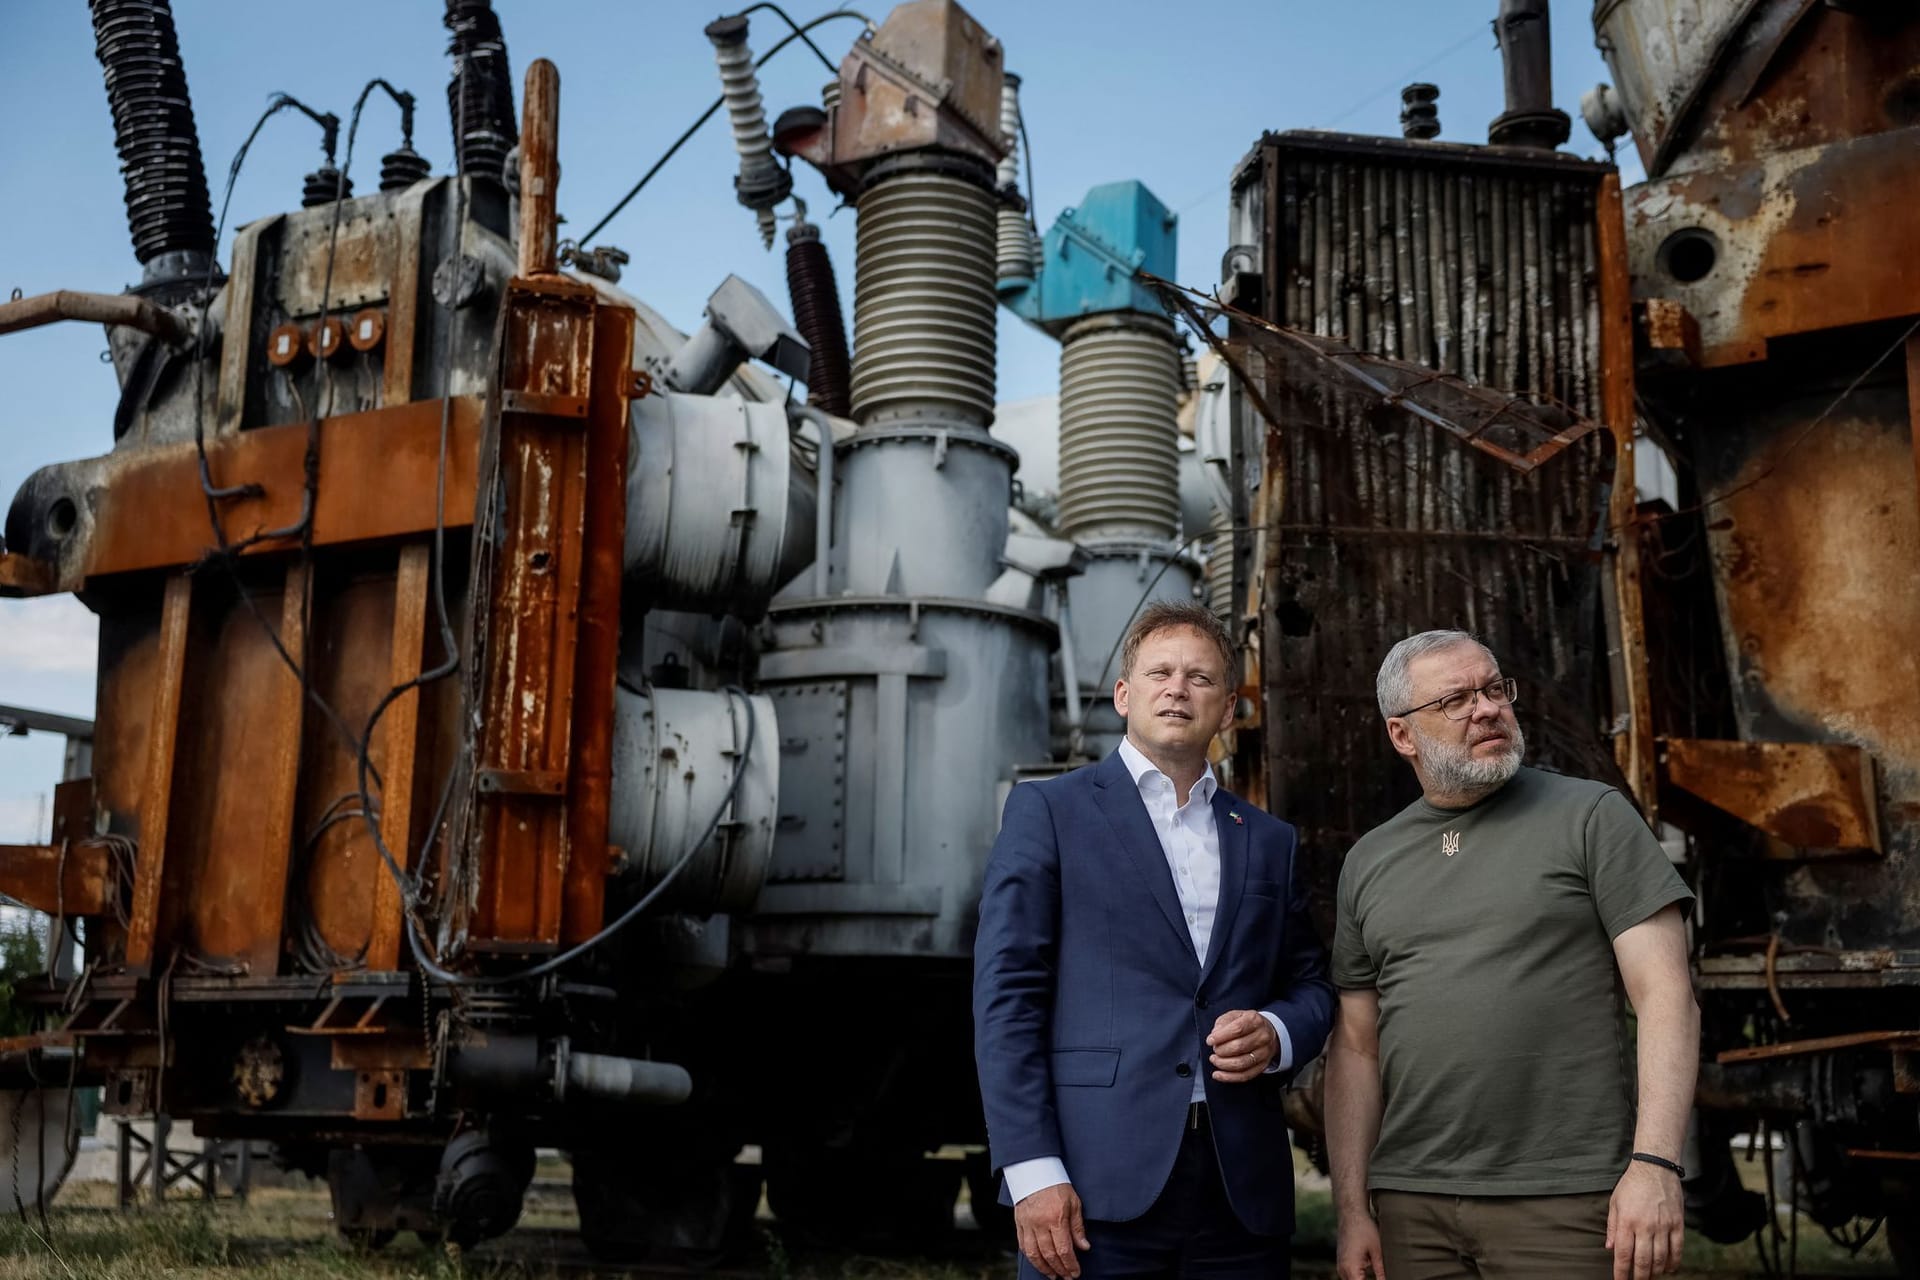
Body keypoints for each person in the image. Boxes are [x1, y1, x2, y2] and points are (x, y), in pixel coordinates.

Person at [974, 600, 1335, 1280]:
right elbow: (1008, 999)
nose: (1177, 688)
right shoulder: (1049, 812)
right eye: (1160, 672)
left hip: (1239, 1192)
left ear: (1227, 709)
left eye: (1199, 678)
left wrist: (1277, 1031)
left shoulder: (1267, 840)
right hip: (1092, 1183)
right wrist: (1030, 1170)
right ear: (1123, 695)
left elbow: (1311, 984)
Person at [1326, 629, 1699, 1280]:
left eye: (1495, 688)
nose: (1487, 707)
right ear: (1402, 735)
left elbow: (1666, 993)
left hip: (1566, 1198)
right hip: (1411, 1204)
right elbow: (1356, 1044)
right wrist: (1353, 1208)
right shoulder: (1369, 861)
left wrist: (1656, 1164)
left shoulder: (1592, 817)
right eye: (1455, 699)